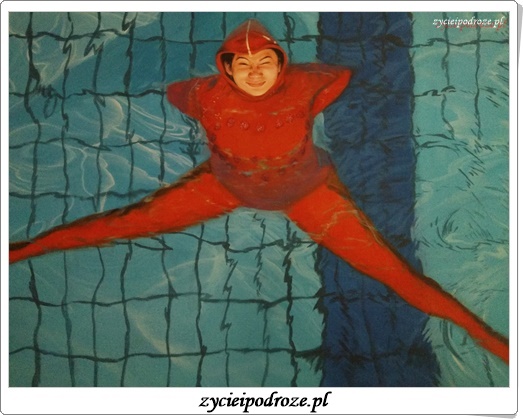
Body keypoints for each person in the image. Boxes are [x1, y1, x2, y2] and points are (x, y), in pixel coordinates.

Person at [9, 19, 509, 365]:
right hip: (222, 187)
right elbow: (177, 92)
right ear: (225, 68)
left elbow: (341, 77)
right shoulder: (203, 95)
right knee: (118, 224)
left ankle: (492, 340)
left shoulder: (307, 85)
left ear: (281, 64)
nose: (253, 72)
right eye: (242, 64)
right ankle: (19, 251)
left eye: (265, 62)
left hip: (310, 194)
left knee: (396, 274)